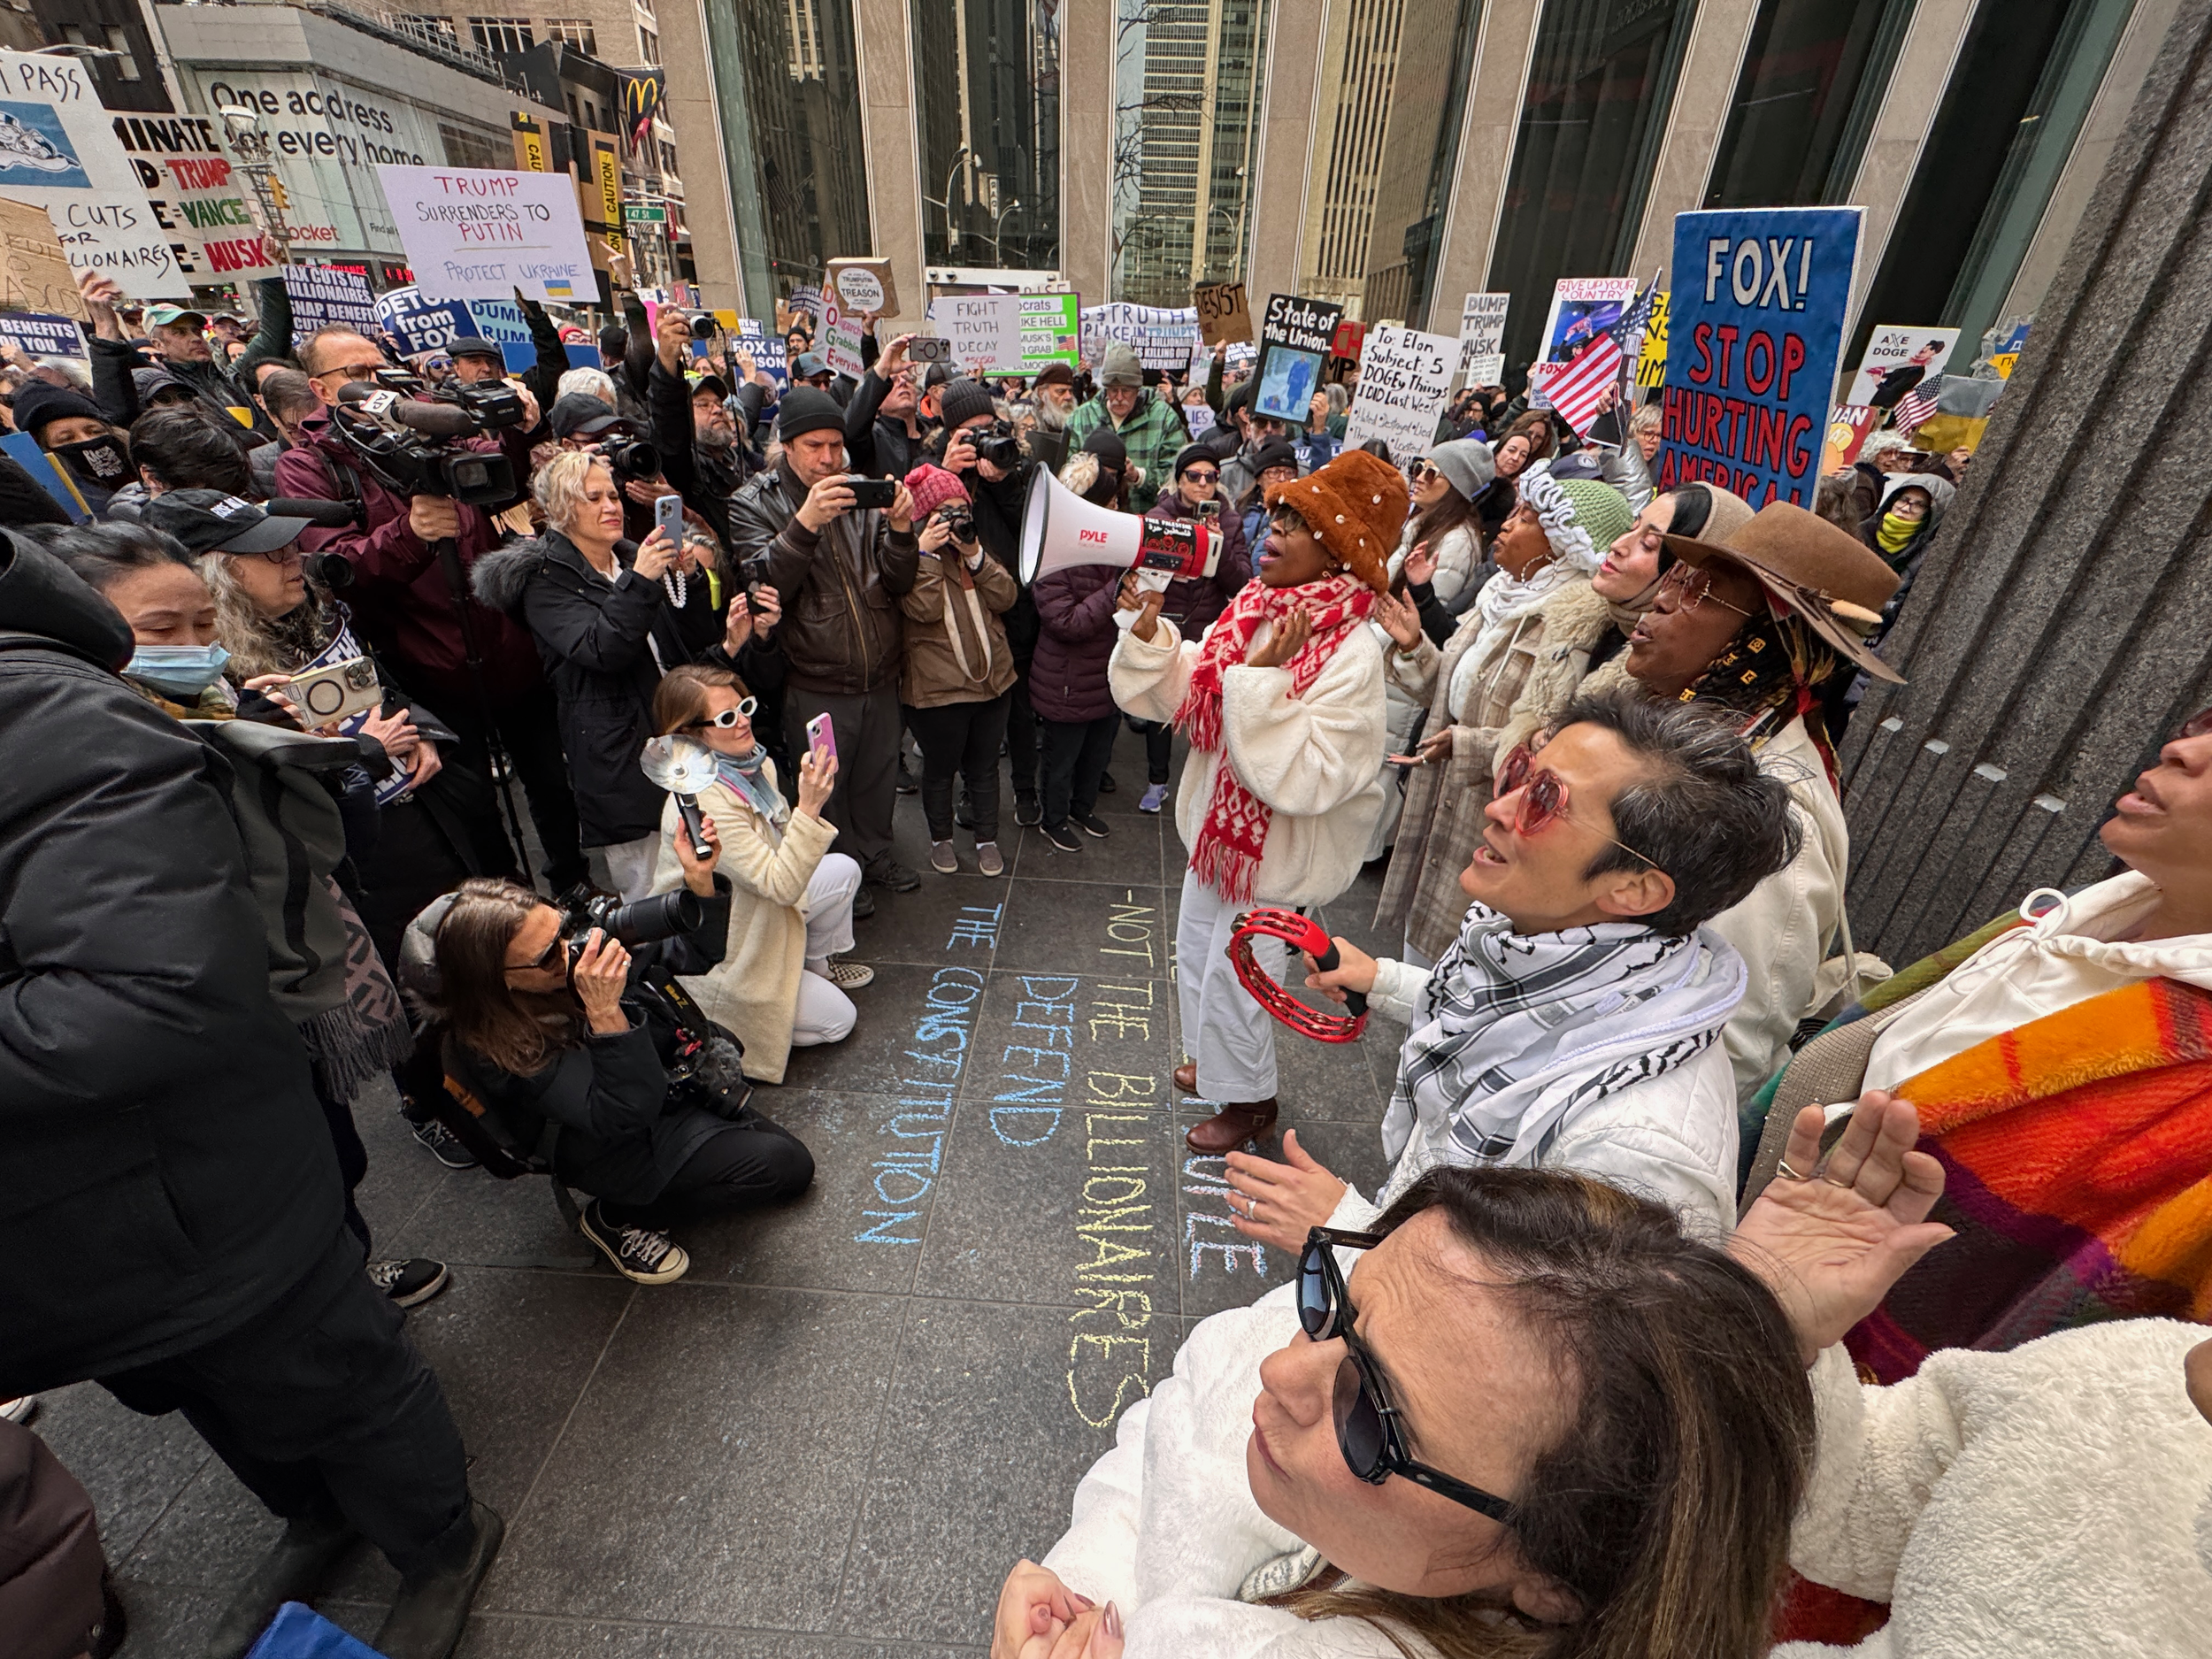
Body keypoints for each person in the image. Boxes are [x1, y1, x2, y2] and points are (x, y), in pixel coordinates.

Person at [0, 528, 499, 1659]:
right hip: (89, 1232)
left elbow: (146, 995)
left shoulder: (56, 721)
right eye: (158, 630)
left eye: (194, 627)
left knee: (334, 1366)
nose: (184, 650)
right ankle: (313, 1516)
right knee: (203, 1390)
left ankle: (441, 1538)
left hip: (204, 1177)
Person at [997, 1159, 1816, 1659]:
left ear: (1553, 1583)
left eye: (1368, 1416)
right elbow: (1175, 1420)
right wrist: (1090, 1584)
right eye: (1329, 1298)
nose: (1281, 1367)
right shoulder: (1413, 1346)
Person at [1743, 699, 2212, 1383]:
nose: (2182, 749)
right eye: (2201, 725)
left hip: (1858, 1402)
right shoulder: (2071, 916)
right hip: (1746, 1281)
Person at [1229, 690, 1799, 1252]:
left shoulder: (1635, 1154)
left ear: (1634, 887)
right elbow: (1506, 1022)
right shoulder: (1543, 950)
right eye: (1523, 772)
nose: (1498, 808)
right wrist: (1381, 979)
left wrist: (1344, 1227)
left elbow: (1528, 1333)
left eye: (1545, 801)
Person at [1112, 449, 1401, 1152]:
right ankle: (1215, 1066)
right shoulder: (1254, 605)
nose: (1271, 530)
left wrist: (1263, 681)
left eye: (1298, 523)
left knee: (1242, 979)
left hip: (1276, 861)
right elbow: (1195, 685)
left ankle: (1250, 1100)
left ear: (1337, 556)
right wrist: (1150, 635)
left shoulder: (1354, 652)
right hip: (1220, 833)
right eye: (1277, 514)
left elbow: (1319, 773)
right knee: (1195, 952)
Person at [411, 833, 817, 1286]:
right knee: (783, 1167)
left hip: (656, 1085)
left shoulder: (565, 955)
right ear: (496, 982)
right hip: (608, 1138)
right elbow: (623, 1111)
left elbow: (697, 953)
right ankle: (617, 1215)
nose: (572, 952)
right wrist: (604, 1011)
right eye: (548, 956)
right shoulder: (498, 1047)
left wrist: (700, 882)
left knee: (781, 1157)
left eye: (565, 929)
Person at [274, 326, 587, 895]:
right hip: (427, 669)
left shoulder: (429, 421)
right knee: (473, 806)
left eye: (381, 367)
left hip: (506, 649)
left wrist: (515, 427)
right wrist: (409, 535)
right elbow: (331, 569)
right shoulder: (312, 464)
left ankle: (573, 884)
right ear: (321, 389)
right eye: (358, 375)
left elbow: (497, 476)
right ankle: (507, 907)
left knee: (552, 782)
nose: (376, 383)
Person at [1621, 503, 1901, 1099]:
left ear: (1767, 641)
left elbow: (1730, 1050)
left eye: (1702, 590)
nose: (1662, 600)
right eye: (1675, 576)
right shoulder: (1682, 734)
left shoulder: (1778, 818)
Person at [1373, 470, 1632, 966]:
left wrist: (1468, 743)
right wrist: (1413, 642)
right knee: (1420, 951)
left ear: (1561, 542)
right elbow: (1457, 692)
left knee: (1463, 958)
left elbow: (1553, 742)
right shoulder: (1498, 593)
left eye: (1527, 517)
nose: (1507, 525)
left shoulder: (1571, 623)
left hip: (1496, 814)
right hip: (1445, 802)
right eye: (1512, 512)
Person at [470, 451, 735, 898]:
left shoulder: (632, 558)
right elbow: (601, 649)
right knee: (651, 891)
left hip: (678, 738)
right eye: (592, 497)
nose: (611, 506)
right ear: (560, 509)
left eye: (613, 494)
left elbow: (689, 645)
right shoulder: (544, 579)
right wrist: (643, 581)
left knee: (709, 872)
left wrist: (685, 578)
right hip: (620, 758)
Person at [728, 386, 922, 894]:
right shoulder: (753, 502)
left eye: (836, 445)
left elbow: (899, 581)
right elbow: (765, 585)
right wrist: (806, 523)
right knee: (825, 789)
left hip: (879, 668)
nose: (829, 458)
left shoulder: (858, 489)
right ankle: (840, 879)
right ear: (787, 446)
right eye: (815, 446)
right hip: (814, 673)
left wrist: (902, 532)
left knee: (879, 778)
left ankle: (877, 854)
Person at [645, 662, 869, 1079]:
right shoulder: (704, 802)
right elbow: (781, 884)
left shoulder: (751, 765)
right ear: (692, 734)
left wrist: (800, 814)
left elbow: (781, 856)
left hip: (758, 908)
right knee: (840, 1020)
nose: (744, 721)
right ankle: (732, 1029)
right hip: (730, 952)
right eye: (727, 717)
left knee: (843, 870)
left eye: (744, 706)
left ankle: (813, 967)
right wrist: (810, 807)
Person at [936, 375, 1044, 827]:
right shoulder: (937, 466)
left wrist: (1003, 482)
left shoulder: (1014, 463)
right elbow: (917, 530)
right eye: (971, 433)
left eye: (989, 427)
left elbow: (1034, 529)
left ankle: (1024, 789)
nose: (984, 440)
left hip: (1013, 606)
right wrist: (946, 473)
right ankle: (971, 794)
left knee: (1020, 711)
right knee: (969, 716)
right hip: (960, 611)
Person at [899, 464, 1018, 876]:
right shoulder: (910, 557)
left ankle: (987, 839)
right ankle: (941, 840)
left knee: (985, 769)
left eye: (961, 510)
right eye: (944, 512)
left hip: (993, 683)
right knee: (940, 770)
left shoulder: (975, 551)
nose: (956, 520)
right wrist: (927, 553)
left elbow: (1006, 597)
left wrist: (976, 555)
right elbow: (923, 608)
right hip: (939, 690)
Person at [1133, 444, 1255, 815]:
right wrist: (1180, 542)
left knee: (1205, 706)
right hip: (1168, 621)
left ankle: (1202, 780)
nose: (1203, 484)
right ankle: (1158, 780)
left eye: (1211, 477)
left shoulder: (1231, 521)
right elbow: (1146, 574)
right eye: (1194, 476)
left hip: (1207, 627)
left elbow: (1242, 581)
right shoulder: (1160, 516)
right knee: (1161, 705)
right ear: (1179, 480)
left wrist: (1214, 545)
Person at [1585, 480, 1754, 672]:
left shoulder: (1671, 682)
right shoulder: (1568, 621)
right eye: (1633, 527)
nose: (1618, 545)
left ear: (1688, 574)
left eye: (1648, 544)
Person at [1065, 342, 1186, 513]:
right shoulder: (1082, 417)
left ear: (1138, 389)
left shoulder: (1164, 418)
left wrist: (1139, 476)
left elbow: (1176, 478)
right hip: (1091, 520)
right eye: (1113, 390)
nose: (1119, 397)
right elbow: (1066, 474)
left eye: (1126, 390)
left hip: (1144, 520)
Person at [8, 381, 134, 516]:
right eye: (66, 439)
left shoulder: (146, 463)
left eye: (95, 431)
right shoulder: (56, 508)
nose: (85, 440)